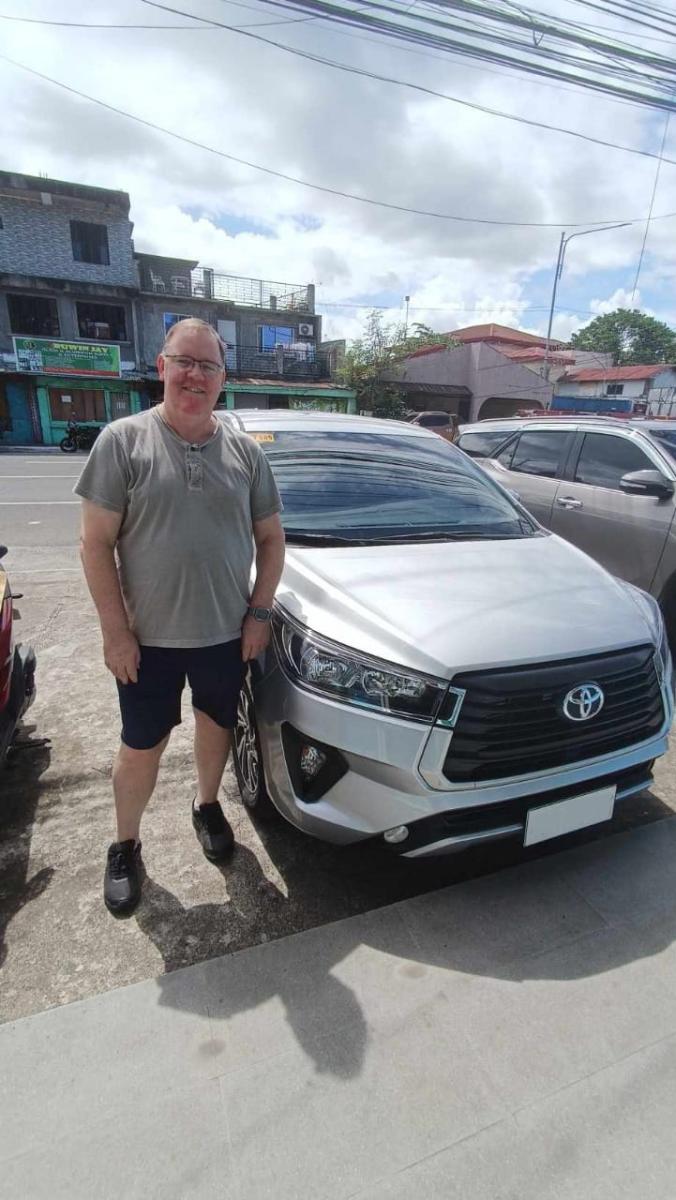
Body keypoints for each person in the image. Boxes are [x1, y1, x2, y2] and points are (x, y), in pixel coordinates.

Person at [74, 318, 285, 916]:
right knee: (141, 745)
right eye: (184, 362)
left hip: (225, 634)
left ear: (223, 378)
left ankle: (207, 805)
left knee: (216, 727)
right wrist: (115, 632)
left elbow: (271, 539)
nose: (196, 375)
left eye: (208, 365)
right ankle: (125, 844)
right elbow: (94, 544)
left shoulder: (246, 453)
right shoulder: (122, 441)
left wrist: (259, 613)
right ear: (162, 366)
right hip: (147, 642)